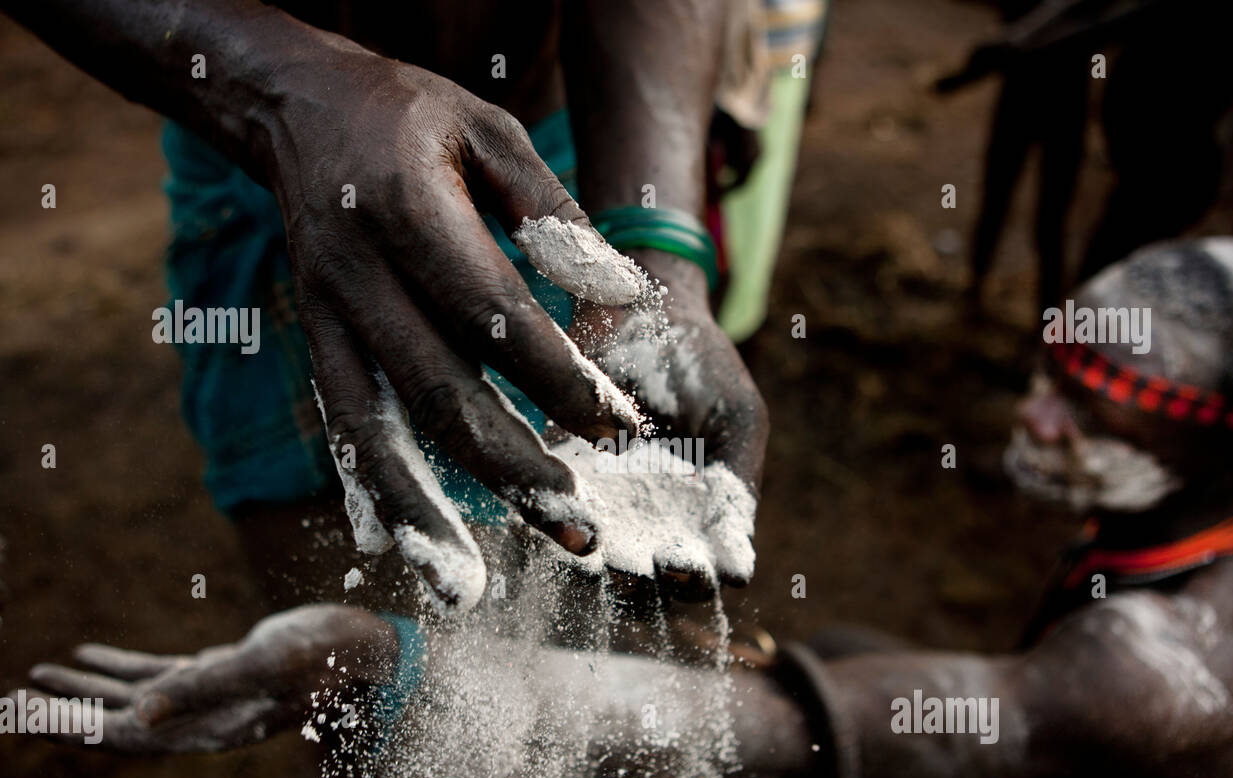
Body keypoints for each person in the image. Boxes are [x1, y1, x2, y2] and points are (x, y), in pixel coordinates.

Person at [24, 237, 1233, 778]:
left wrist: (373, 661)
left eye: (1094, 414)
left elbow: (776, 727)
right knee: (853, 649)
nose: (1034, 421)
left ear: (1222, 436)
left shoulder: (1149, 677)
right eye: (1047, 381)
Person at [2, 0, 770, 615]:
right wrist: (280, 96)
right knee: (377, 670)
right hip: (256, 137)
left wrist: (652, 250)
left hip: (543, 174)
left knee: (617, 621)